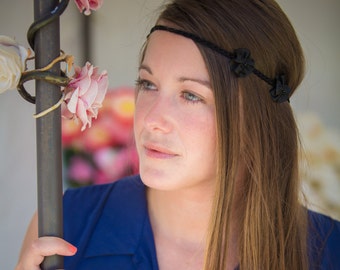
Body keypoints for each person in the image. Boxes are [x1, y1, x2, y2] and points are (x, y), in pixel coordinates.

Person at [16, 0, 340, 269]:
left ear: (253, 122)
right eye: (148, 84)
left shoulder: (328, 252)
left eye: (191, 95)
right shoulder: (65, 226)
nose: (152, 119)